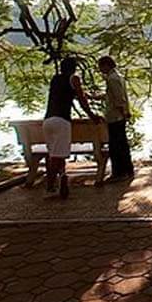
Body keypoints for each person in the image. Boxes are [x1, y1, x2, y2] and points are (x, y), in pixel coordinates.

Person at [43, 56, 99, 198]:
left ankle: (62, 178)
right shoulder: (74, 79)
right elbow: (81, 100)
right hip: (62, 121)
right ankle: (50, 184)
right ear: (74, 68)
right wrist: (92, 116)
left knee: (55, 154)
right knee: (57, 155)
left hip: (48, 121)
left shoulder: (55, 79)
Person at [97, 55, 134, 183]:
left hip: (115, 117)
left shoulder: (112, 79)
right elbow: (112, 95)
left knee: (116, 146)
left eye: (101, 66)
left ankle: (119, 172)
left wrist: (122, 113)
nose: (100, 69)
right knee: (122, 144)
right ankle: (127, 170)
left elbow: (119, 99)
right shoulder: (117, 77)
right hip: (118, 115)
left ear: (107, 65)